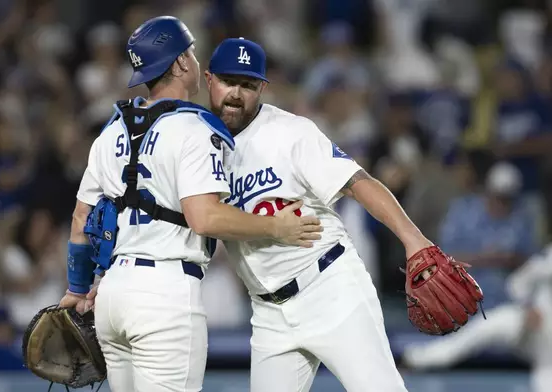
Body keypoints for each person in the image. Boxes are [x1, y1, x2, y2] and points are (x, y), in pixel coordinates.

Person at [57, 17, 322, 392]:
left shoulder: (111, 130)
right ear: (181, 62)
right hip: (164, 294)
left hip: (112, 293)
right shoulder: (194, 128)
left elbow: (80, 218)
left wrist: (78, 288)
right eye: (192, 53)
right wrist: (276, 227)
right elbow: (204, 217)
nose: (196, 60)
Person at [203, 37, 438, 392]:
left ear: (263, 88)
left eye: (248, 84)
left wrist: (413, 239)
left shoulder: (290, 133)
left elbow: (358, 183)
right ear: (209, 80)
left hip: (329, 288)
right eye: (227, 81)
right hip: (268, 312)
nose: (236, 93)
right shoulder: (198, 145)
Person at [402, 241, 552, 392]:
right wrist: (528, 306)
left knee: (545, 376)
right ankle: (414, 359)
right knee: (478, 331)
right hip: (527, 322)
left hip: (547, 348)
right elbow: (517, 283)